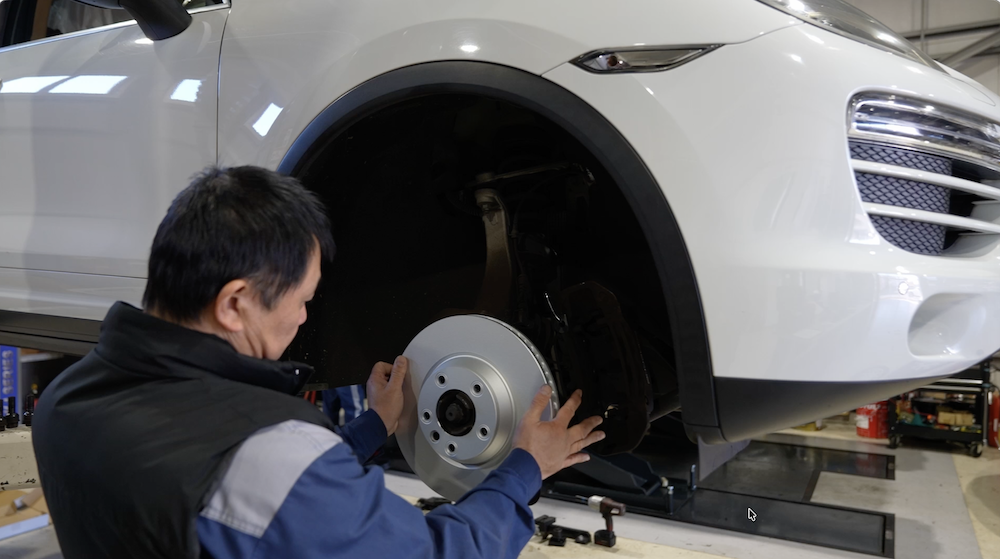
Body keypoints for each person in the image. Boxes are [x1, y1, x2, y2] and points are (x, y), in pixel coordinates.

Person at [32, 166, 605, 559]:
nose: (306, 318)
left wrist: (373, 425)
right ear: (234, 304)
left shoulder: (67, 399)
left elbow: (272, 507)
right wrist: (525, 466)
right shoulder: (265, 456)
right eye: (302, 300)